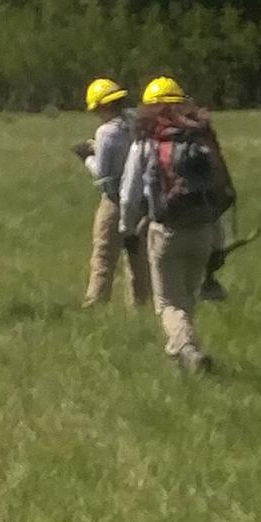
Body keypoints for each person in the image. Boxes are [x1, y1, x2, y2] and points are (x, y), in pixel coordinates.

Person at [112, 74, 235, 375]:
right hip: (203, 232)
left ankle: (187, 351)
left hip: (165, 232)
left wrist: (127, 230)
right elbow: (218, 192)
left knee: (167, 303)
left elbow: (128, 195)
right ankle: (180, 360)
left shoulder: (146, 142)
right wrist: (220, 244)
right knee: (187, 299)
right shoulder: (202, 138)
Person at [74, 77, 150, 310]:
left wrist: (87, 157)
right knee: (138, 259)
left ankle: (96, 302)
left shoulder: (106, 132)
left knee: (104, 256)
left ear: (103, 106)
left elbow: (103, 175)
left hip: (114, 201)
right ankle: (140, 306)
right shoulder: (135, 121)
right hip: (141, 200)